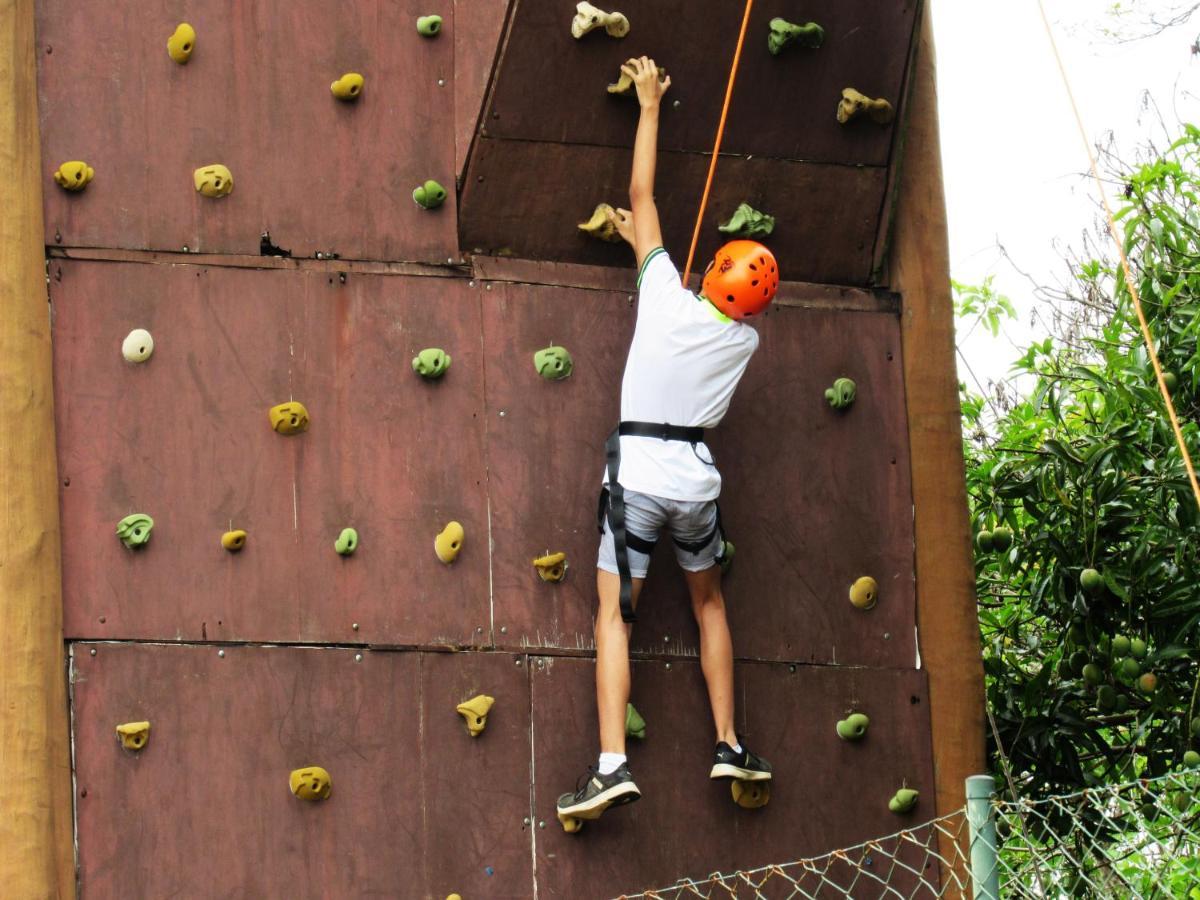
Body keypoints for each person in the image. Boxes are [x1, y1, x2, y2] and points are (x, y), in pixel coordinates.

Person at [555, 56, 779, 826]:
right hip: (695, 482)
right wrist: (642, 254)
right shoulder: (744, 343)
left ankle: (612, 763)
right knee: (710, 604)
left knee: (616, 613)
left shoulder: (661, 294)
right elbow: (692, 308)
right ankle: (728, 743)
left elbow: (641, 196)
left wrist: (649, 104)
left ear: (710, 271)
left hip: (637, 478)